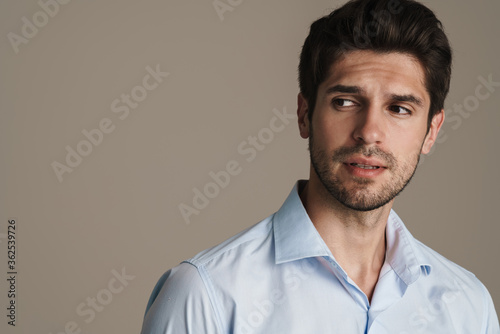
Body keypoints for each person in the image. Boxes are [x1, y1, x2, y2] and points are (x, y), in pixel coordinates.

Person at [140, 0, 500, 332]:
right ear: (304, 115)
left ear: (431, 131)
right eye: (345, 101)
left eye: (399, 109)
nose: (369, 132)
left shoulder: (469, 307)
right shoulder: (206, 295)